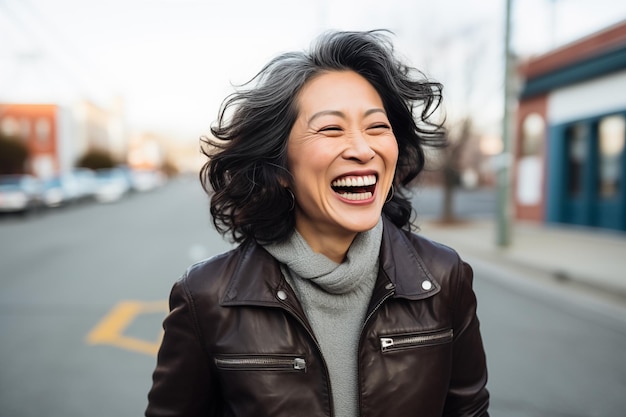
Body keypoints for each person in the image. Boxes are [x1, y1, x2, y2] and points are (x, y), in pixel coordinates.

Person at [146, 29, 490, 417]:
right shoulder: (205, 298)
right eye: (331, 128)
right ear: (278, 167)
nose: (363, 149)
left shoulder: (445, 279)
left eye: (377, 127)